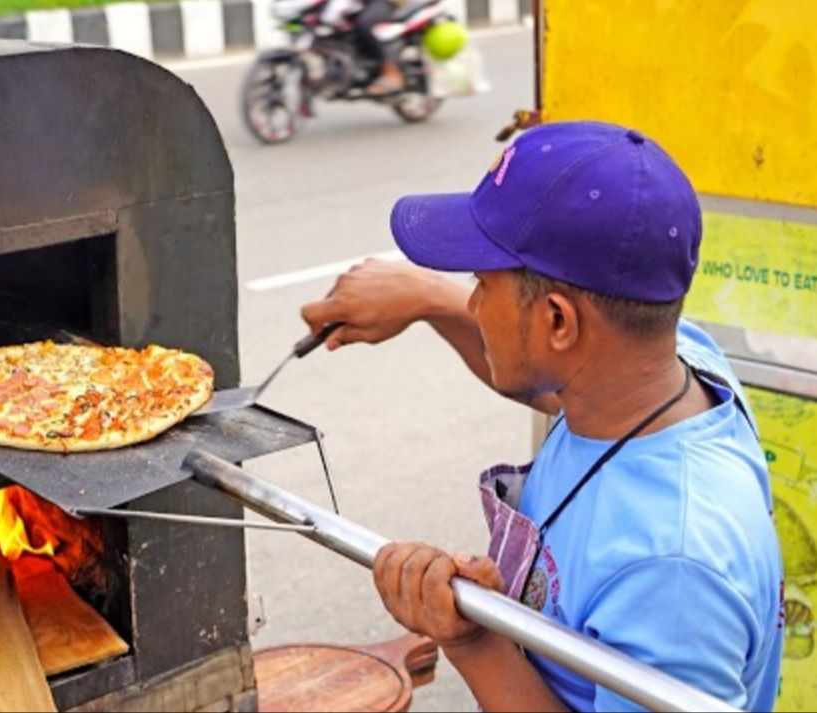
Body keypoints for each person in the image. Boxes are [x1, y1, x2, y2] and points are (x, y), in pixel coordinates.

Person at [301, 121, 784, 711]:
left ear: (558, 322)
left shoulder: (669, 573)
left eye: (481, 285)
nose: (473, 305)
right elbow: (555, 378)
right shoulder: (672, 365)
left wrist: (474, 639)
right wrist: (425, 297)